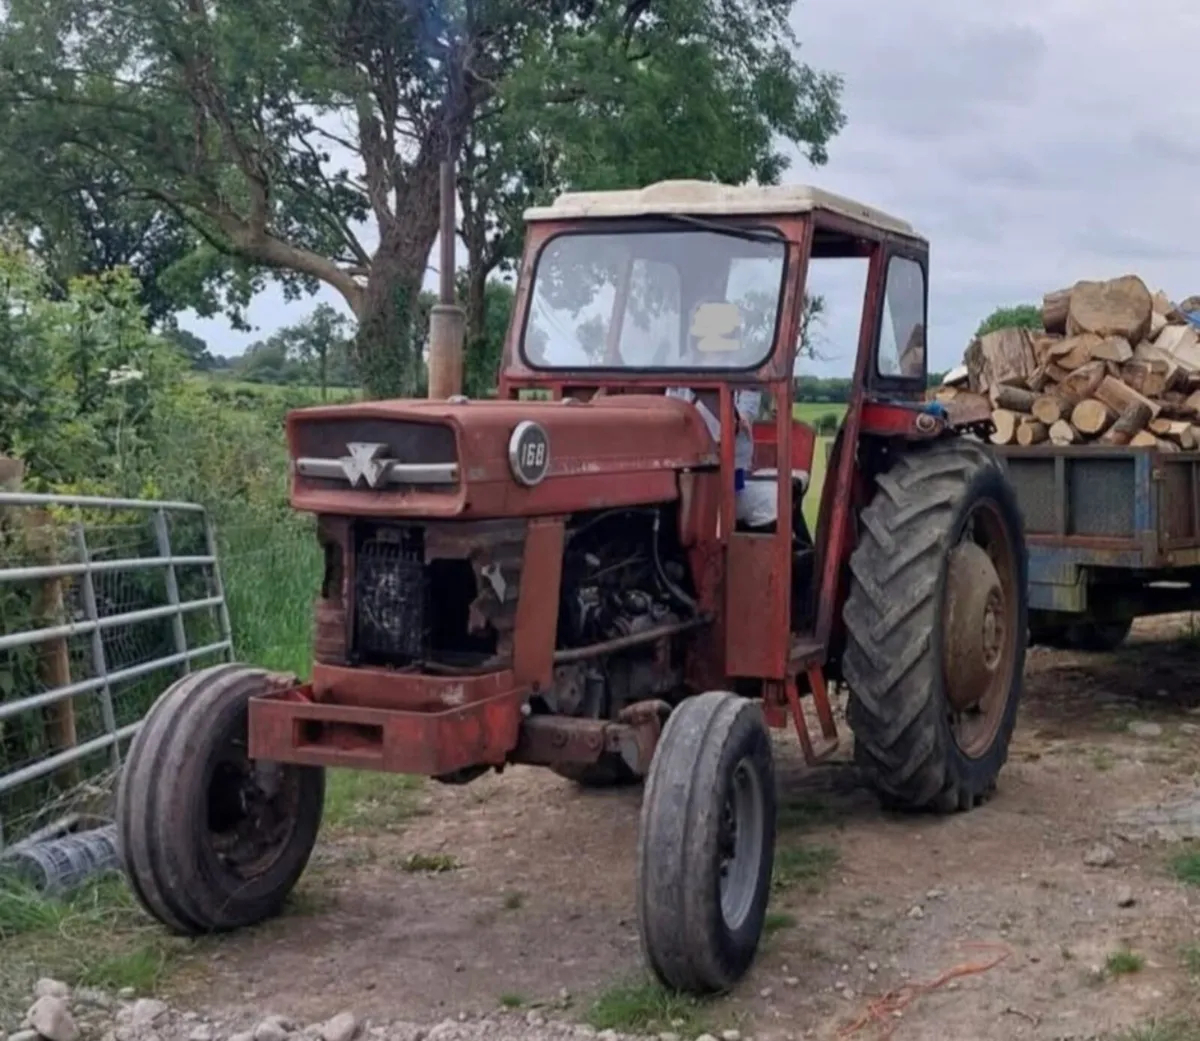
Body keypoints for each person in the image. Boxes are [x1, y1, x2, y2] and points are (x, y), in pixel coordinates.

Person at [665, 386, 777, 529]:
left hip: (732, 452)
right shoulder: (679, 382)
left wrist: (744, 416)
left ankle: (721, 532)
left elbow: (751, 389)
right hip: (689, 450)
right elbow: (673, 397)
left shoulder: (739, 374)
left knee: (727, 502)